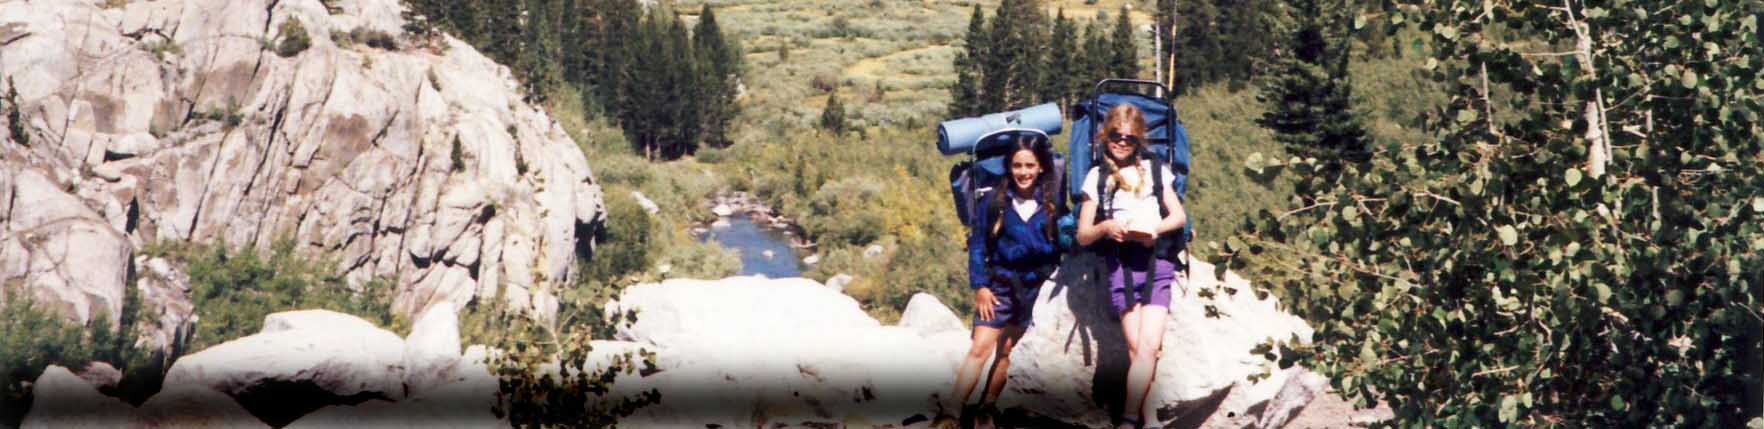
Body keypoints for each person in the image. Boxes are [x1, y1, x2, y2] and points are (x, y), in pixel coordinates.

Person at [935, 134, 1064, 429]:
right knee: (980, 348)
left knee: (1007, 352)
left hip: (1034, 288)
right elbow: (978, 244)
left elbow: (1059, 243)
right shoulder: (995, 201)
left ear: (1041, 167)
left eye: (1030, 165)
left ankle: (987, 407)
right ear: (1009, 167)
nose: (1023, 172)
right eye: (1017, 165)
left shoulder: (1051, 203)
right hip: (999, 285)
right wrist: (980, 286)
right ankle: (952, 413)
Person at [1075, 104, 1187, 429]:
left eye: (1129, 137)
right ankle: (1149, 418)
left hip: (1156, 260)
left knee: (1149, 345)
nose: (1122, 142)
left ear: (1139, 140)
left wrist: (1156, 230)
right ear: (1104, 136)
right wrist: (1105, 227)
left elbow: (1177, 216)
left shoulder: (1155, 169)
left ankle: (1127, 419)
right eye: (1115, 136)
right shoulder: (1096, 177)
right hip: (1121, 264)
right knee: (1139, 347)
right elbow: (1083, 235)